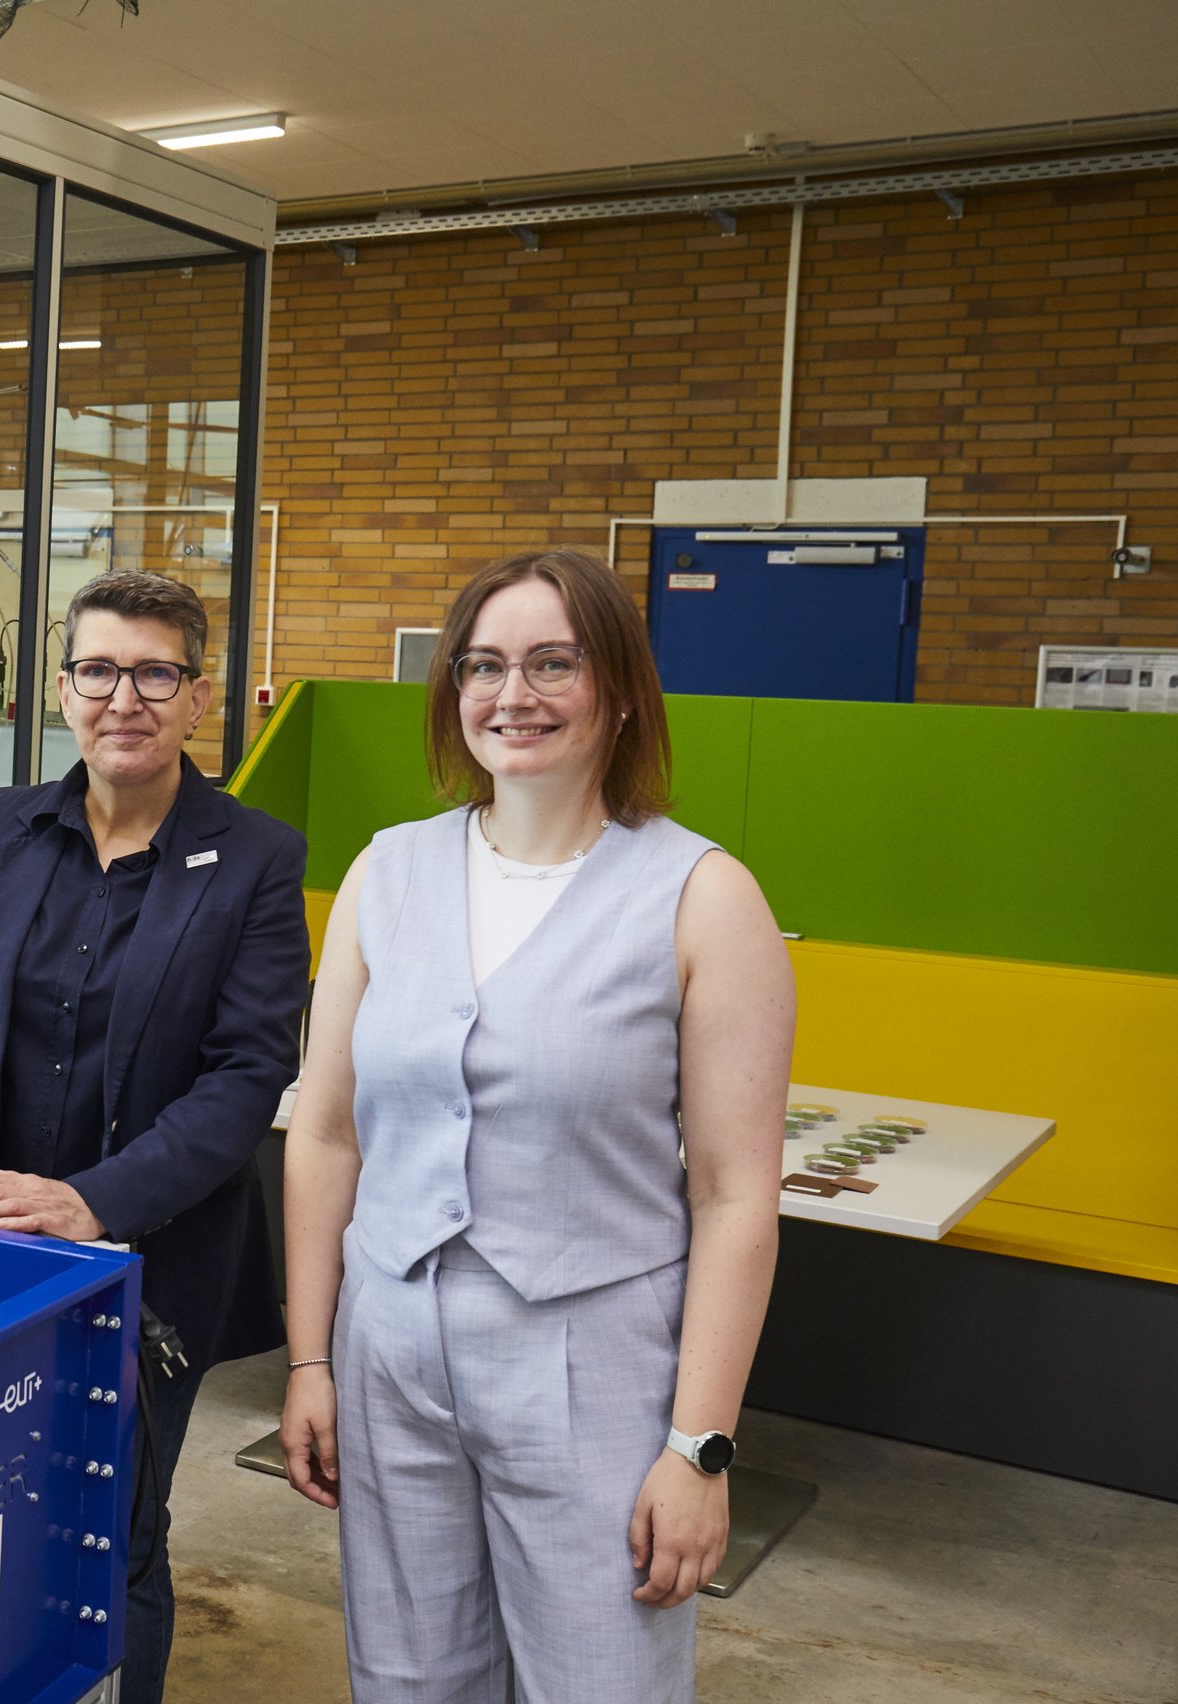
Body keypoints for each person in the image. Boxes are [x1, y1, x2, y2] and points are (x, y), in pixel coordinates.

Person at [278, 549, 793, 1703]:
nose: (514, 694)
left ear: (616, 691)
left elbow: (733, 1198)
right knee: (409, 1680)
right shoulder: (386, 872)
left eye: (552, 662)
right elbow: (324, 1137)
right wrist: (310, 1356)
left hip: (592, 1364)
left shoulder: (702, 895)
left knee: (598, 1681)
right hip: (389, 1350)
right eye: (485, 665)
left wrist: (698, 1446)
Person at [0, 569, 311, 1704]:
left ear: (195, 694)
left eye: (154, 672)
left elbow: (245, 1078)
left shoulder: (258, 859)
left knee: (109, 1530)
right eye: (97, 670)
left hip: (147, 1265)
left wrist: (93, 1207)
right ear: (65, 688)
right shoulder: (0, 829)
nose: (122, 696)